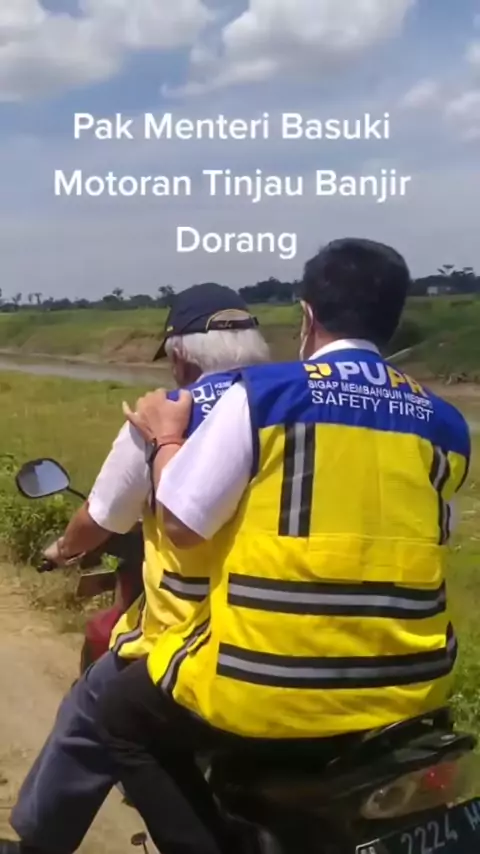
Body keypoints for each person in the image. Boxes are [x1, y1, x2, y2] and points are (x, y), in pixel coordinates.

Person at [95, 238, 470, 854]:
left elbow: (183, 523)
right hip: (412, 684)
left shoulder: (263, 395)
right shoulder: (446, 424)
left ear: (307, 316)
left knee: (119, 715)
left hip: (261, 681)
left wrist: (165, 439)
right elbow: (436, 531)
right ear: (394, 318)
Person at [0, 284, 269, 854]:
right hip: (293, 625)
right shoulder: (289, 409)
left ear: (180, 358)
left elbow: (101, 517)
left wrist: (61, 550)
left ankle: (41, 843)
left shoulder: (163, 418)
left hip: (193, 639)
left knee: (94, 708)